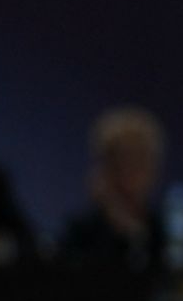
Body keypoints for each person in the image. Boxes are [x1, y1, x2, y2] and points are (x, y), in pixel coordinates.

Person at [56, 105, 167, 274]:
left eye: (141, 158)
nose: (132, 171)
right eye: (124, 158)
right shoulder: (80, 232)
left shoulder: (163, 230)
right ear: (106, 167)